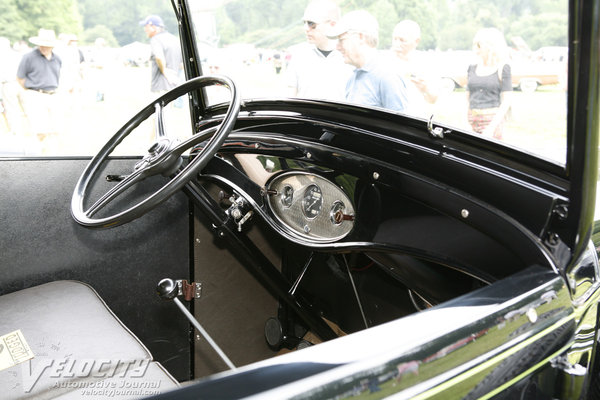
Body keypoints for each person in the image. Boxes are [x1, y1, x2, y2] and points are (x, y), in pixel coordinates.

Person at [327, 10, 408, 111]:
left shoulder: (387, 76)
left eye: (341, 40)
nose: (337, 47)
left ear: (360, 37)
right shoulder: (353, 78)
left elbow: (401, 124)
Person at [286, 0, 352, 100]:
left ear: (333, 24)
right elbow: (289, 99)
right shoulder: (299, 55)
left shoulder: (350, 57)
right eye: (304, 23)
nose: (306, 28)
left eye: (311, 23)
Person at [16, 28, 62, 143]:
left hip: (53, 95)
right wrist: (31, 90)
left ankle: (52, 155)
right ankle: (39, 153)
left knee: (55, 130)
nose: (43, 47)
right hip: (35, 94)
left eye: (47, 45)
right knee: (40, 131)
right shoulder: (28, 57)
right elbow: (20, 77)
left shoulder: (57, 59)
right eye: (41, 45)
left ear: (52, 46)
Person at [466, 27, 512, 140]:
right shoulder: (472, 68)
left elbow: (507, 101)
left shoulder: (503, 68)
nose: (476, 50)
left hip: (493, 124)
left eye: (479, 46)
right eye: (474, 45)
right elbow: (467, 98)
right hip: (471, 122)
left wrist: (491, 128)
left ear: (491, 46)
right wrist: (465, 123)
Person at [391, 20, 439, 116]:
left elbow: (433, 99)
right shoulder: (385, 62)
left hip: (415, 120)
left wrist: (425, 89)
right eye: (394, 39)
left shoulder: (426, 63)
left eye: (402, 40)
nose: (397, 44)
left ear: (416, 41)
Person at [140, 15, 183, 94]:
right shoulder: (173, 39)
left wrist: (164, 71)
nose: (145, 30)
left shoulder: (155, 39)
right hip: (174, 85)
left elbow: (159, 57)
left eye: (146, 26)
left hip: (161, 87)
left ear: (154, 27)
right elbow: (181, 64)